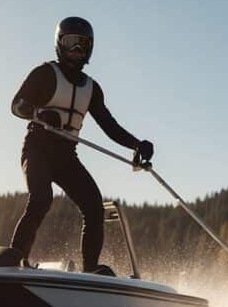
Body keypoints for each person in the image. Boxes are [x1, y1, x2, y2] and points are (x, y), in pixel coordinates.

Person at [9, 16, 154, 275]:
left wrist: (137, 144)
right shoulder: (44, 73)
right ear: (59, 44)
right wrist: (38, 113)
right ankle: (14, 260)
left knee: (93, 207)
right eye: (72, 43)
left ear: (90, 49)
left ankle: (90, 271)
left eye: (83, 45)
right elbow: (16, 105)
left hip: (66, 155)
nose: (77, 51)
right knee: (41, 198)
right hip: (37, 147)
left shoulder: (92, 89)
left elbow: (109, 126)